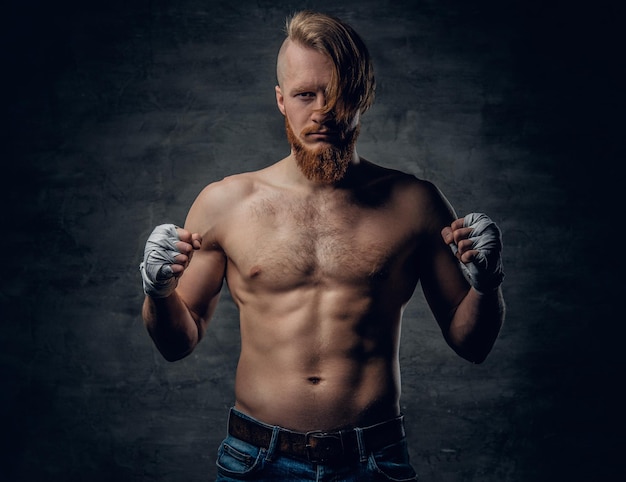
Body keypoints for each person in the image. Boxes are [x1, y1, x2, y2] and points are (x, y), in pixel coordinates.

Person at [140, 10, 505, 481]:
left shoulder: (415, 203)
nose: (322, 112)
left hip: (374, 461)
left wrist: (487, 284)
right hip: (255, 460)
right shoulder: (225, 202)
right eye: (304, 95)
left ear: (363, 96)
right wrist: (158, 292)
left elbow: (472, 344)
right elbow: (177, 343)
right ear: (280, 101)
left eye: (337, 94)